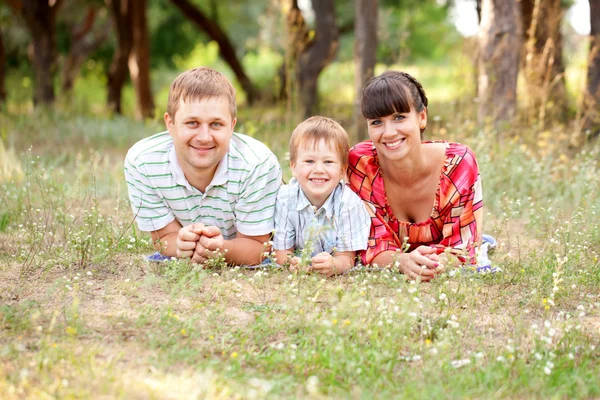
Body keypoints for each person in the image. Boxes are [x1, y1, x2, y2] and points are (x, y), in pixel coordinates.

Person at [124, 67, 282, 266]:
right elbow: (164, 238)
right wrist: (181, 245)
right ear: (170, 124)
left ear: (232, 126)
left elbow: (259, 247)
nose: (204, 137)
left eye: (216, 124)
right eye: (192, 123)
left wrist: (221, 250)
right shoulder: (143, 163)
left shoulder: (258, 164)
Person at [347, 71, 483, 281]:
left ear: (422, 117)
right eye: (376, 122)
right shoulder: (361, 164)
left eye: (399, 117)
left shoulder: (459, 164)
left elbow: (464, 248)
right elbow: (367, 244)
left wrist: (426, 264)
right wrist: (402, 262)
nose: (389, 132)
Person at [274, 116, 371, 276]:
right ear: (293, 167)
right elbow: (282, 252)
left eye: (328, 162)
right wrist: (293, 263)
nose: (319, 169)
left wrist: (335, 265)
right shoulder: (285, 199)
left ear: (342, 170)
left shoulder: (348, 204)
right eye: (309, 161)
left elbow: (347, 258)